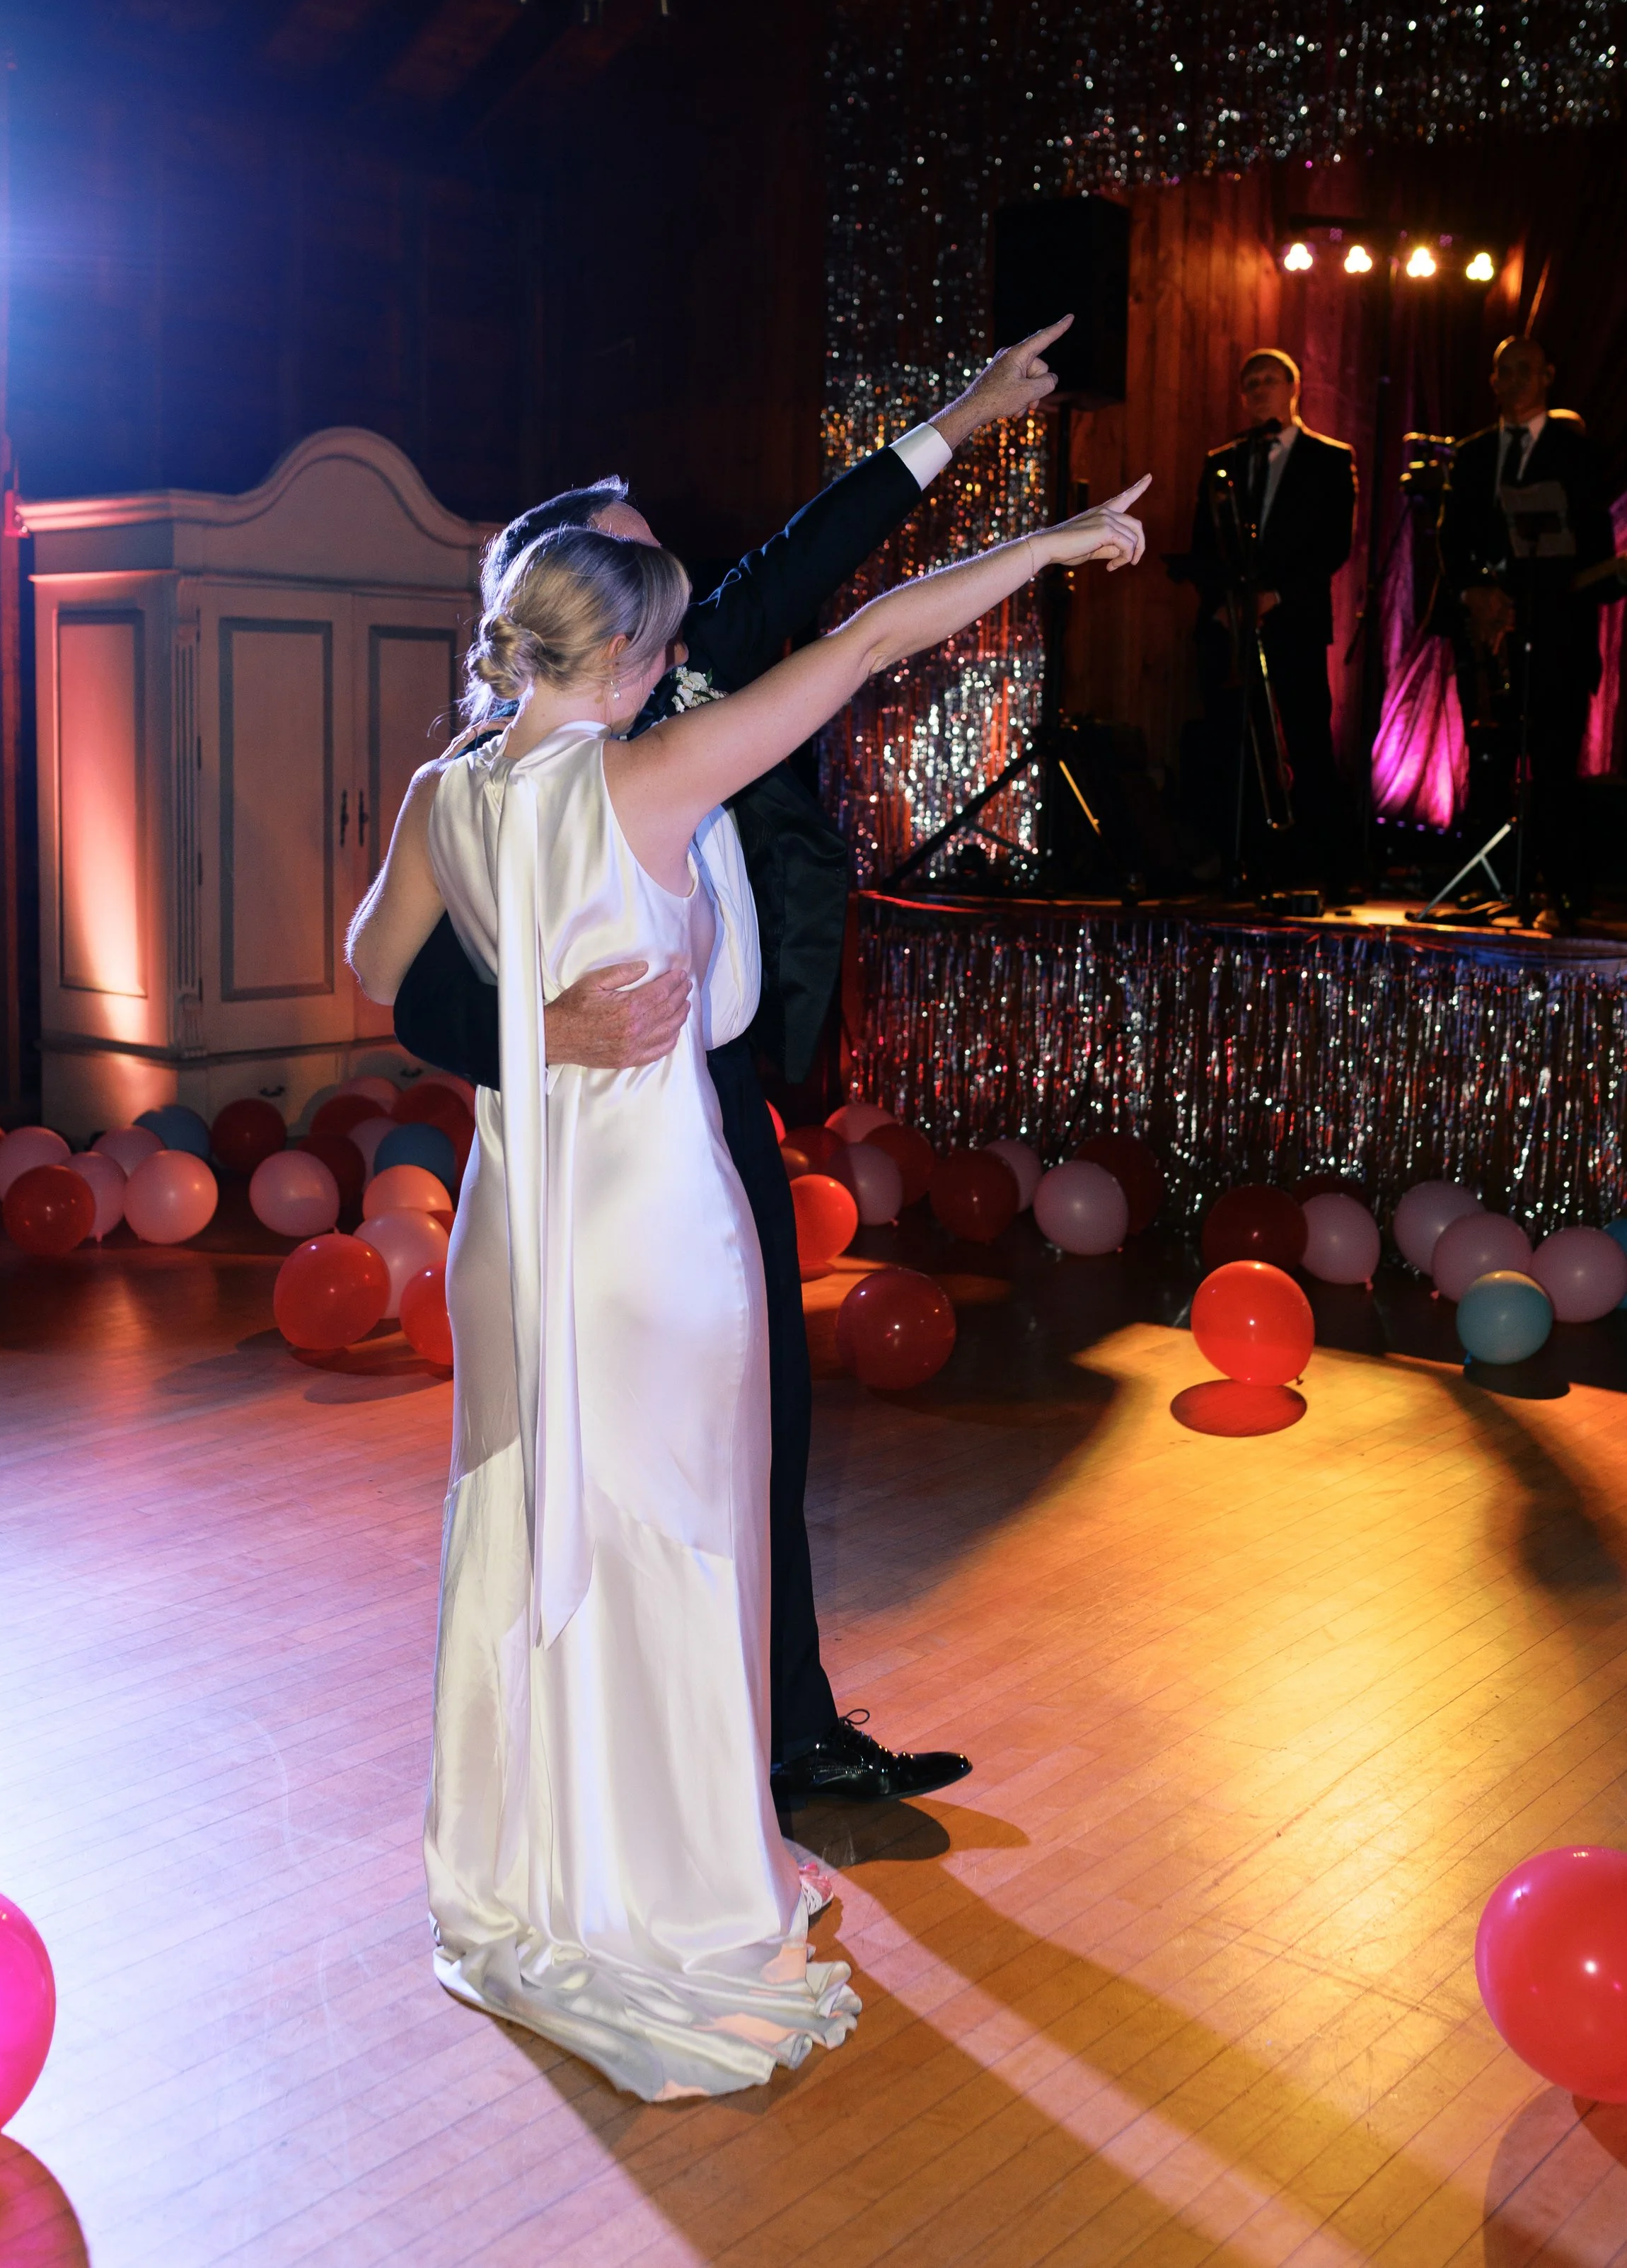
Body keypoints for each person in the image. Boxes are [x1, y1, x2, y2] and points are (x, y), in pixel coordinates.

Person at [347, 436, 1148, 2098]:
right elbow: (864, 640)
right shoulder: (654, 775)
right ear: (633, 657)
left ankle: (540, 1862)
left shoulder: (451, 791)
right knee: (678, 1539)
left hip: (516, 1212)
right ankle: (676, 1881)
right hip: (651, 1223)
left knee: (529, 1513)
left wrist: (530, 1032)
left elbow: (371, 962)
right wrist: (1057, 542)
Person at [386, 327, 1079, 1812]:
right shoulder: (518, 769)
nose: (683, 589)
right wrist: (542, 1036)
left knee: (749, 1432)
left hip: (718, 1104)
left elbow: (828, 542)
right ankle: (655, 1770)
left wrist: (959, 419)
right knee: (635, 1450)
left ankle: (775, 1728)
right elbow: (410, 985)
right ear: (569, 606)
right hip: (604, 1137)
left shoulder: (674, 672)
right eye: (639, 568)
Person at [1437, 337, 1611, 929]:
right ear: (1491, 381)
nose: (1513, 382)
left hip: (1555, 635)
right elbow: (1450, 538)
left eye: (1525, 371)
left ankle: (1561, 892)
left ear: (1548, 376)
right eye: (1502, 372)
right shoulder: (1473, 454)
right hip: (1486, 637)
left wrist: (1540, 592)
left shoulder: (1579, 453)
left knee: (1554, 765)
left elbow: (1595, 549)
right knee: (1488, 761)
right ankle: (1489, 886)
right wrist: (1474, 594)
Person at [1186, 348, 1360, 898]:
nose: (1260, 389)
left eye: (1270, 380)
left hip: (1296, 619)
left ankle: (1320, 867)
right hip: (1230, 623)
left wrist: (1276, 594)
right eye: (1250, 383)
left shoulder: (1330, 458)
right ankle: (1241, 859)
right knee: (1226, 742)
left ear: (1294, 387)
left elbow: (1334, 545)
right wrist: (1225, 601)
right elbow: (1202, 543)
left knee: (1306, 741)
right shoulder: (1223, 460)